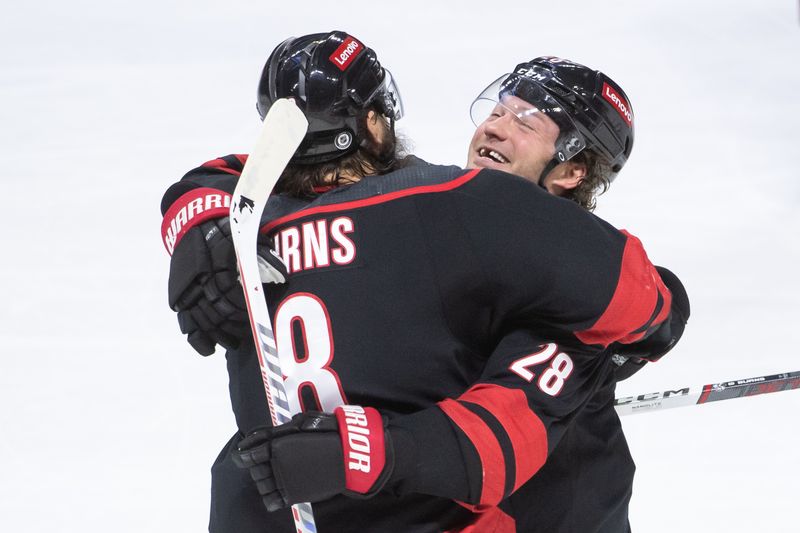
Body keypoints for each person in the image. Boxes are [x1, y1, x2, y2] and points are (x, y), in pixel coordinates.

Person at [160, 32, 688, 532]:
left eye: (527, 121)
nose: (496, 126)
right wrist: (626, 344)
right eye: (499, 109)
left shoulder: (248, 233)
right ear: (373, 123)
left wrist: (195, 220)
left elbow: (231, 172)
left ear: (574, 169)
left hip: (266, 502)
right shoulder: (465, 211)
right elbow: (654, 307)